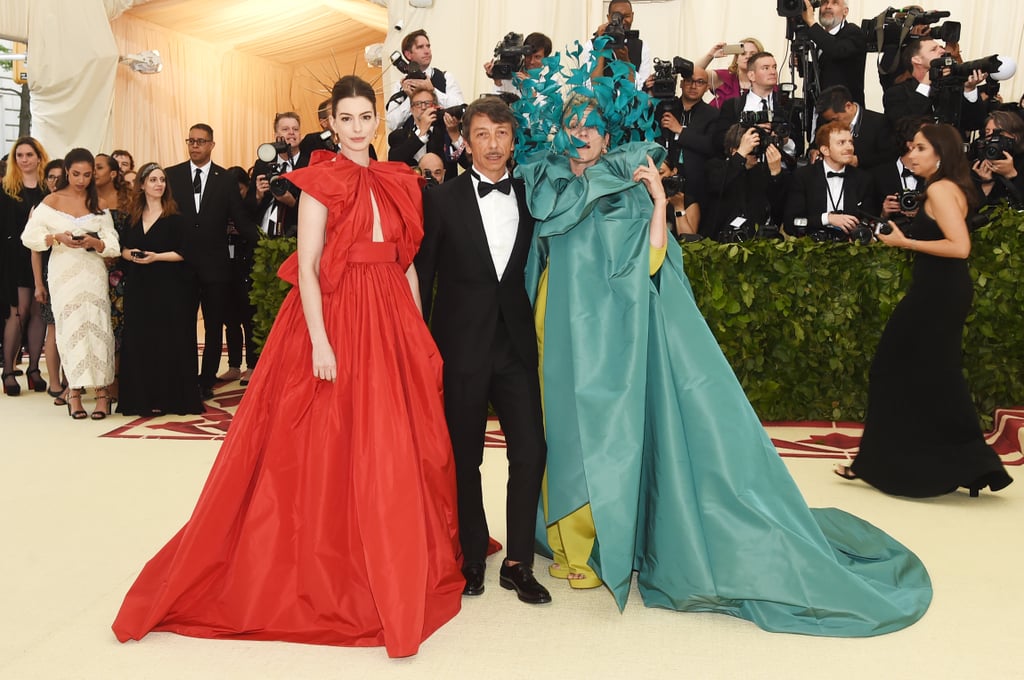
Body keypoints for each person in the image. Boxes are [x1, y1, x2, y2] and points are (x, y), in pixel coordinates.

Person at [513, 58, 932, 636]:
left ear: (608, 135)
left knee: (605, 434)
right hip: (554, 325)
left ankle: (598, 541)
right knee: (561, 431)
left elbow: (654, 261)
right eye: (571, 125)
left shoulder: (630, 184)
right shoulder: (542, 181)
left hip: (612, 327)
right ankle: (566, 542)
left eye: (590, 125)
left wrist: (659, 200)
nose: (580, 134)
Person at [112, 76, 463, 659]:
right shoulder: (319, 182)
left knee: (394, 436)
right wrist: (321, 342)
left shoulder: (402, 179)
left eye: (363, 116)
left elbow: (404, 262)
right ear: (332, 123)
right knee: (326, 438)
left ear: (377, 119)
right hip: (337, 315)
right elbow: (306, 268)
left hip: (391, 316)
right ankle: (335, 554)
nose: (355, 127)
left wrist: (417, 328)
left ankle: (395, 541)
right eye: (345, 118)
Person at [415, 96, 550, 605]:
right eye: (482, 135)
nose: (493, 145)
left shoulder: (534, 195)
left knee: (532, 451)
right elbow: (424, 277)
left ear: (513, 139)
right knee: (463, 456)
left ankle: (518, 562)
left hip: (515, 346)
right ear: (465, 142)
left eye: (501, 134)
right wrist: (421, 346)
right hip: (458, 346)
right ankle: (472, 554)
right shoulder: (441, 199)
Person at [836, 124, 1014, 497]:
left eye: (919, 148)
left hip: (939, 292)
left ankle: (931, 463)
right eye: (910, 148)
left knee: (894, 369)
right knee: (932, 376)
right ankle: (964, 463)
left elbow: (960, 247)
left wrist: (905, 242)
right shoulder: (948, 187)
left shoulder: (939, 189)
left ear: (940, 153)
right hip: (939, 290)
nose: (910, 154)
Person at [21, 148, 120, 419]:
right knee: (69, 328)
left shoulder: (97, 203)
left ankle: (102, 394)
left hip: (92, 272)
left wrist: (95, 242)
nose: (81, 180)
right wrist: (56, 237)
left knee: (98, 327)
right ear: (67, 171)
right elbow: (29, 237)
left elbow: (112, 244)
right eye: (76, 174)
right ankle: (73, 393)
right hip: (63, 272)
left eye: (87, 175)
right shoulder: (51, 201)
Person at [165, 123, 260, 400]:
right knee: (181, 324)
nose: (195, 146)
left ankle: (206, 381)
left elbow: (240, 220)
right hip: (180, 264)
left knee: (214, 326)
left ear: (211, 145)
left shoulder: (225, 179)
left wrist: (266, 244)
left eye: (201, 141)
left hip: (216, 267)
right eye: (191, 141)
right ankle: (183, 377)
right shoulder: (172, 175)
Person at [116, 163, 203, 416]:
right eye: (153, 180)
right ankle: (141, 399)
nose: (158, 184)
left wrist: (156, 257)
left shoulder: (176, 217)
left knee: (168, 341)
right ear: (141, 184)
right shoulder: (132, 217)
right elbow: (121, 248)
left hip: (170, 289)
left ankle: (171, 399)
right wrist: (130, 255)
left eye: (162, 180)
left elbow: (186, 253)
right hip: (139, 288)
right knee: (140, 341)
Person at [1, 137, 49, 396]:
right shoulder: (6, 188)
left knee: (38, 311)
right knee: (17, 313)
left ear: (39, 157)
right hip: (14, 258)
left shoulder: (47, 189)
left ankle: (34, 370)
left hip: (41, 255)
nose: (24, 159)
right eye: (19, 155)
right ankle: (8, 371)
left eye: (29, 154)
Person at [784, 122, 878, 240]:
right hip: (811, 250)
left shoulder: (864, 179)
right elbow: (791, 223)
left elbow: (870, 221)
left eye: (851, 142)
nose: (849, 147)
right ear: (825, 150)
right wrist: (827, 219)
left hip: (852, 251)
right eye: (841, 143)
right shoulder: (803, 176)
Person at [32, 160, 67, 401]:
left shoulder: (75, 205)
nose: (54, 182)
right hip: (49, 272)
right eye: (50, 177)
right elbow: (34, 249)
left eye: (59, 177)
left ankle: (70, 381)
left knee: (72, 328)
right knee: (54, 329)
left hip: (73, 272)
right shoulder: (41, 208)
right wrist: (38, 283)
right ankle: (55, 382)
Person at [386, 29, 465, 132]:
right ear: (408, 54)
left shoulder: (446, 77)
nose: (427, 51)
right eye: (420, 47)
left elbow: (461, 110)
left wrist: (433, 91)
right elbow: (392, 123)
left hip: (443, 144)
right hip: (414, 145)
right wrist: (411, 99)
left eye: (428, 46)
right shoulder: (401, 85)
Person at [799, 0, 868, 106]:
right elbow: (825, 71)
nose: (828, 6)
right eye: (825, 2)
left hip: (844, 111)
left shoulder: (853, 32)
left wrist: (812, 22)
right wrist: (801, 63)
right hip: (820, 108)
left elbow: (836, 51)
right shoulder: (822, 37)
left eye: (834, 3)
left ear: (845, 11)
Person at [816, 84, 897, 171]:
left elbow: (888, 156)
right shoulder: (825, 120)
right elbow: (816, 143)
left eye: (835, 119)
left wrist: (859, 160)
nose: (832, 124)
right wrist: (813, 151)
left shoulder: (879, 123)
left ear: (848, 107)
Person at [971, 110, 1024, 209]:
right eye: (988, 132)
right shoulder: (980, 162)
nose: (991, 138)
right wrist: (987, 182)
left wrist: (1011, 175)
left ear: (1015, 137)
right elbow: (970, 208)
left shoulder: (1021, 160)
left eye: (998, 133)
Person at [697, 38, 765, 109]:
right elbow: (694, 72)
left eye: (752, 54)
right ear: (736, 59)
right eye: (743, 53)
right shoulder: (724, 77)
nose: (747, 56)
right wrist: (710, 55)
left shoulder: (765, 82)